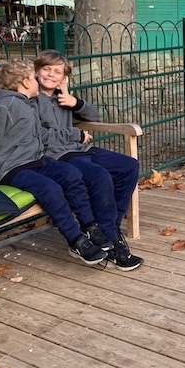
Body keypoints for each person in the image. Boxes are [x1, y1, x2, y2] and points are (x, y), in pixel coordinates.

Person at [0, 58, 108, 267]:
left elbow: (42, 136)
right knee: (51, 188)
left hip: (33, 160)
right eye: (35, 78)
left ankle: (90, 226)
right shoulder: (5, 106)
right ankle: (76, 240)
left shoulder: (25, 104)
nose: (38, 81)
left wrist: (74, 135)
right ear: (26, 82)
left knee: (71, 174)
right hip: (11, 168)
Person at [34, 50, 144, 271]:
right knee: (98, 176)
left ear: (64, 78)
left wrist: (74, 102)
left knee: (128, 166)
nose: (50, 75)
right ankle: (112, 242)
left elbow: (94, 116)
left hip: (78, 149)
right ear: (36, 71)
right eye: (46, 69)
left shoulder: (62, 98)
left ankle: (109, 226)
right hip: (55, 156)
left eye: (57, 72)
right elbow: (39, 136)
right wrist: (75, 134)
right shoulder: (31, 100)